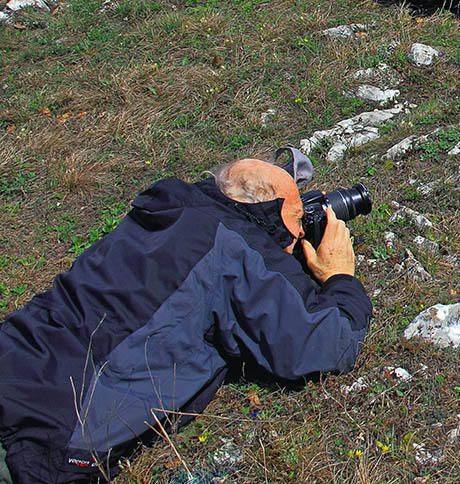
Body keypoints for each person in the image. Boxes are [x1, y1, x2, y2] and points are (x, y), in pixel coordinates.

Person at [0, 148, 372, 484]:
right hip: (47, 431)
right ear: (267, 218)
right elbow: (320, 345)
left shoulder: (166, 211)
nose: (298, 232)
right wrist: (339, 277)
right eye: (295, 219)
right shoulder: (236, 249)